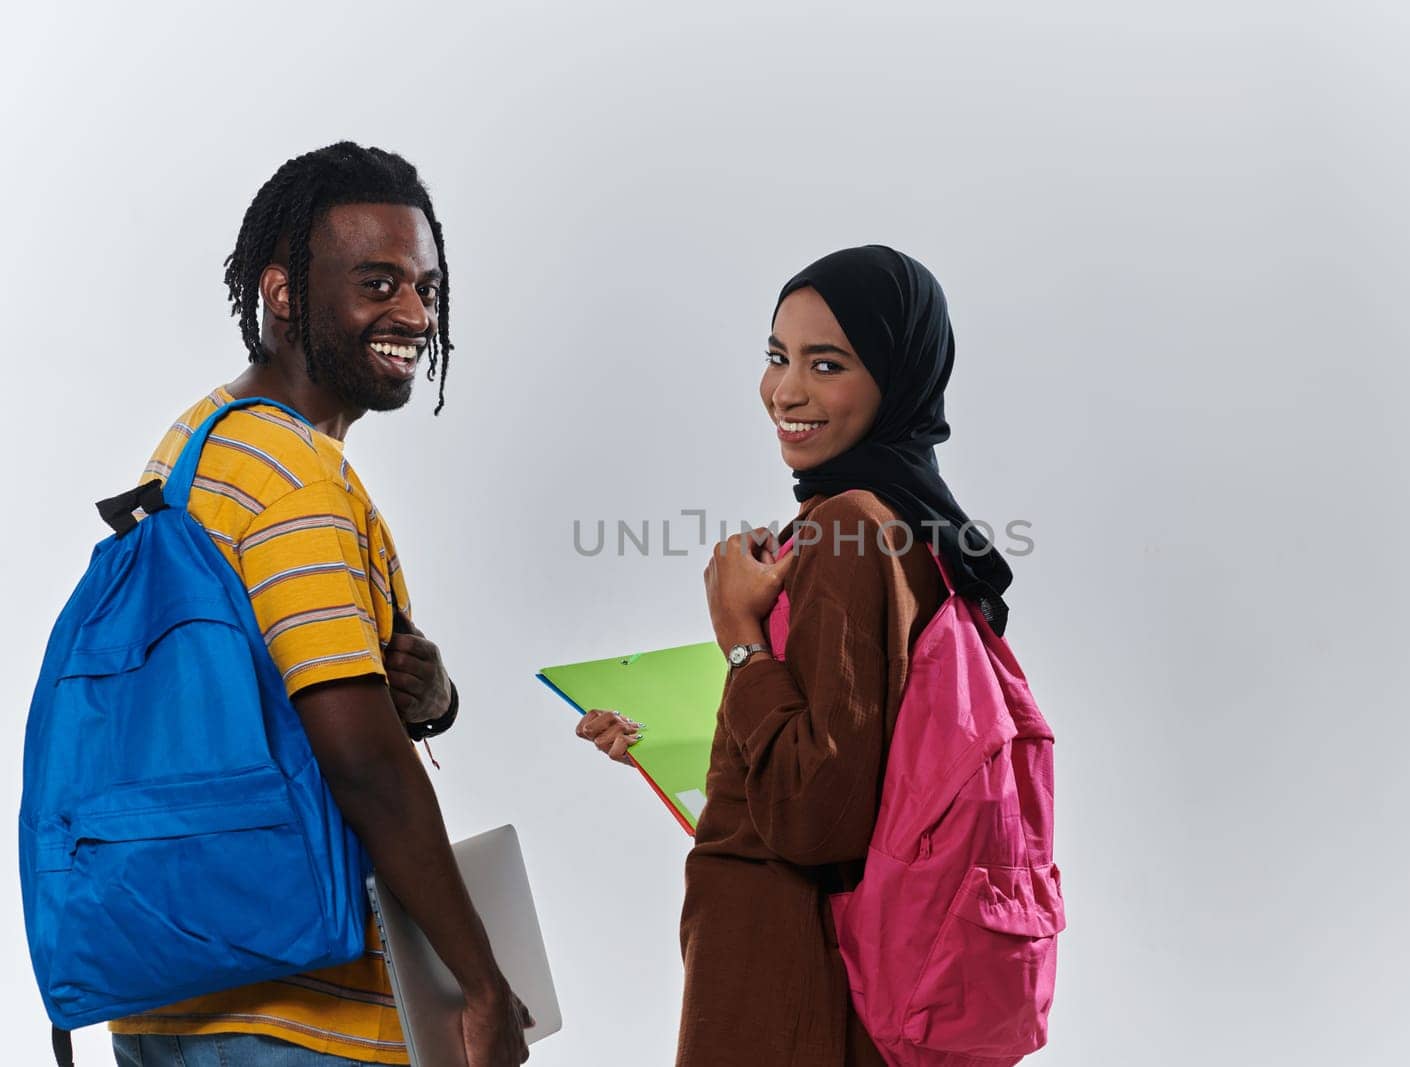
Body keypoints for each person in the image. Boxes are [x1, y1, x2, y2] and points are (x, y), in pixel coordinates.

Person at [109, 143, 530, 1067]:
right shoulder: (299, 478)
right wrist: (484, 984)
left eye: (425, 285)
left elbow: (242, 692)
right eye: (377, 282)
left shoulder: (194, 445)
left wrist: (424, 696)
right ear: (283, 291)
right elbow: (363, 762)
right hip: (304, 1015)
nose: (414, 313)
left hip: (170, 994)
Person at [576, 245, 1015, 1065]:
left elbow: (816, 816)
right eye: (777, 356)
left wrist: (740, 636)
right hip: (821, 985)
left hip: (794, 993)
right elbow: (862, 754)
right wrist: (676, 744)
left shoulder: (849, 528)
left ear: (898, 377)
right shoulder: (907, 527)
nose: (786, 391)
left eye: (828, 363)